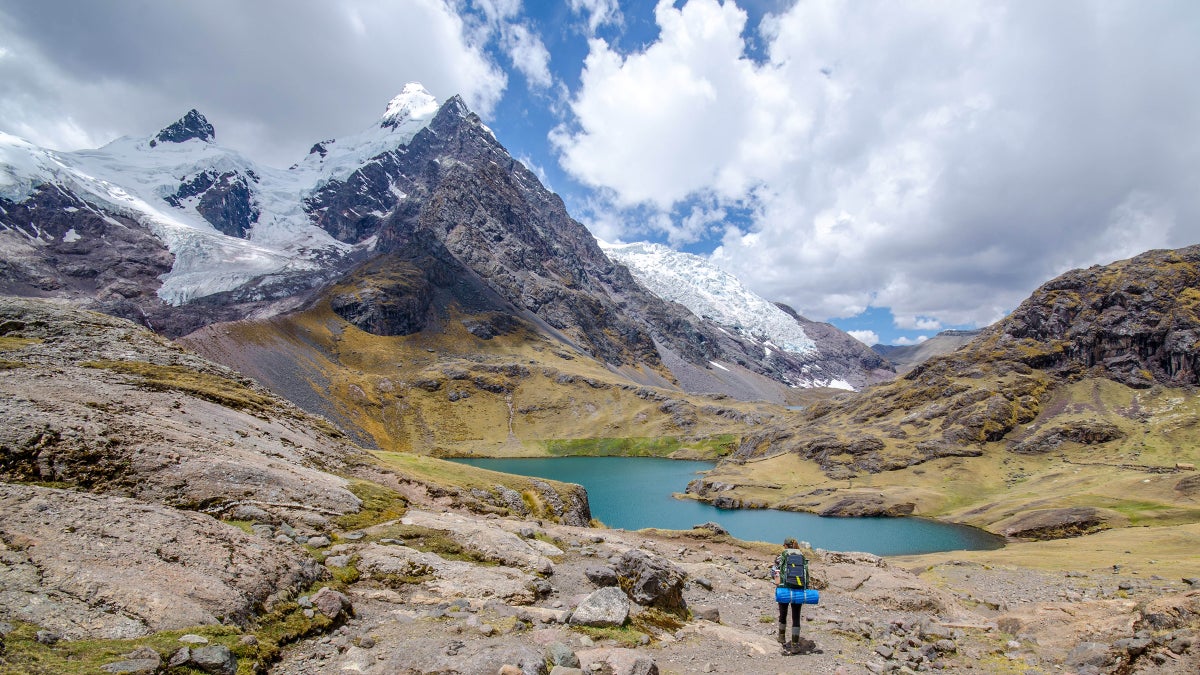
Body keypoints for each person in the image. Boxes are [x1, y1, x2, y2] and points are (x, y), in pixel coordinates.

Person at [771, 537, 812, 655]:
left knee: (783, 614)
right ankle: (794, 645)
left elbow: (774, 572)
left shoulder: (780, 556)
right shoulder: (802, 556)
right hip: (798, 589)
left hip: (783, 589)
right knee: (796, 617)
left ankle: (781, 638)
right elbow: (806, 575)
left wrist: (778, 583)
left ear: (785, 545)